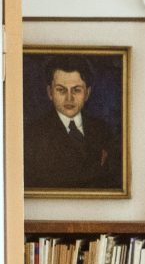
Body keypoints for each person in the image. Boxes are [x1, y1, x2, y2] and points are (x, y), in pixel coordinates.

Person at [24, 56, 121, 190]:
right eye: (61, 90)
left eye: (76, 90)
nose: (69, 98)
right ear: (50, 92)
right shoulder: (33, 135)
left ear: (87, 93)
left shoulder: (102, 129)